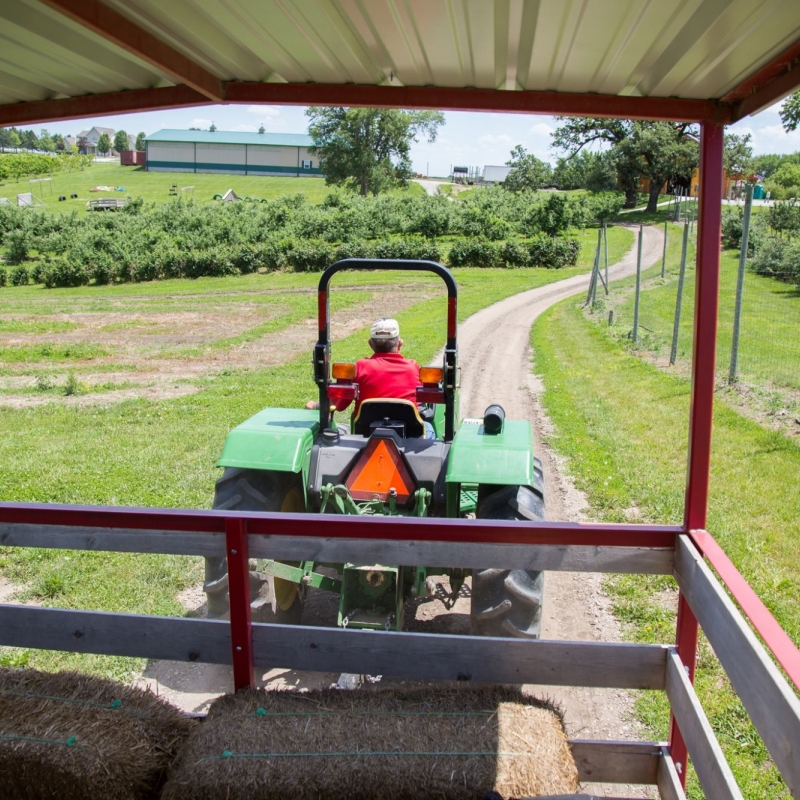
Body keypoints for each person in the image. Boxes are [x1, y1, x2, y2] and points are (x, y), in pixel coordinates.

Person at [306, 318, 434, 438]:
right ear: (400, 343)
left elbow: (338, 404)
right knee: (427, 426)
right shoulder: (413, 367)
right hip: (409, 438)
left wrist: (315, 405)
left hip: (365, 434)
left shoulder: (361, 367)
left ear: (370, 344)